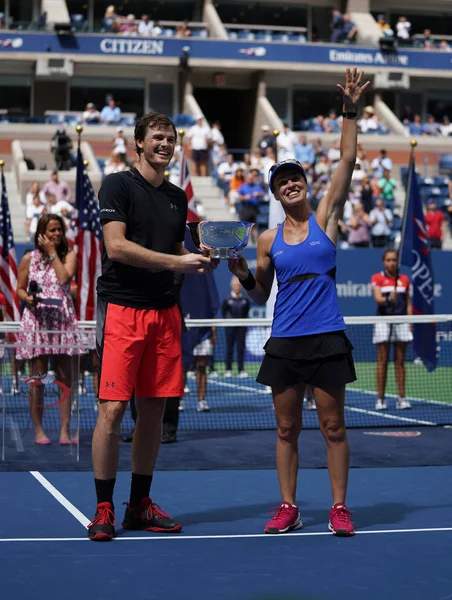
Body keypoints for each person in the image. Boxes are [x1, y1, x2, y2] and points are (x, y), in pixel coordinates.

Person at [228, 68, 369, 537]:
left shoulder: (326, 217)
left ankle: (339, 507)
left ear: (304, 184)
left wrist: (350, 109)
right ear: (274, 192)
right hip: (285, 340)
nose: (290, 184)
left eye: (295, 178)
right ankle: (288, 505)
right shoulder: (267, 239)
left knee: (333, 427)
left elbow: (347, 159)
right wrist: (245, 272)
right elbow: (261, 293)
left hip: (327, 337)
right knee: (286, 430)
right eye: (282, 181)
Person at [88, 112, 218, 541]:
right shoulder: (117, 185)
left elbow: (174, 247)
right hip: (123, 309)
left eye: (171, 138)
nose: (165, 143)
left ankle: (138, 505)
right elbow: (117, 246)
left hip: (165, 313)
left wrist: (199, 258)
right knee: (112, 409)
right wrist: (178, 261)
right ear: (139, 143)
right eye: (157, 137)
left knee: (154, 410)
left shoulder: (178, 197)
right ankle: (104, 507)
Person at [15, 214, 82, 445]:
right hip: (37, 321)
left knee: (65, 377)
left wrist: (52, 253)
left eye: (58, 230)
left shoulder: (69, 255)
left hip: (62, 320)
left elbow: (64, 278)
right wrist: (28, 299)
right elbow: (19, 289)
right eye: (51, 230)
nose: (56, 234)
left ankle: (64, 430)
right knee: (38, 378)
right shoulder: (28, 258)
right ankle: (39, 430)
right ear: (41, 233)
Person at [371, 249, 413, 411]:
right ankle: (380, 399)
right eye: (388, 260)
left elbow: (408, 303)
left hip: (401, 321)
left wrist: (410, 322)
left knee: (400, 362)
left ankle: (402, 398)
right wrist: (389, 297)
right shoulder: (377, 278)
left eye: (394, 260)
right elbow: (378, 299)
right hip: (383, 321)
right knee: (382, 362)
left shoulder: (404, 279)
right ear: (384, 262)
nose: (392, 263)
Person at [221, 276, 250, 377]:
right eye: (235, 285)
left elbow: (246, 313)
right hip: (230, 328)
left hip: (241, 328)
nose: (237, 287)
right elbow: (224, 313)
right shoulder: (227, 300)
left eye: (239, 285)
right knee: (229, 348)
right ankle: (228, 369)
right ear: (232, 286)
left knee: (240, 349)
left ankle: (241, 369)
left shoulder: (245, 301)